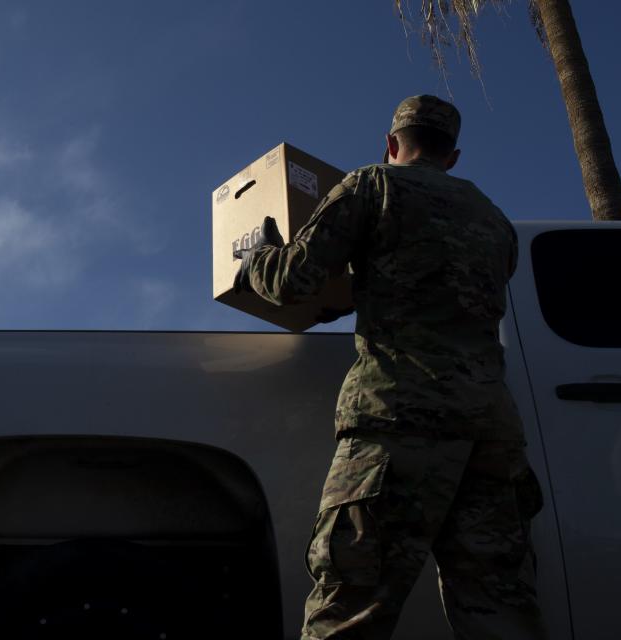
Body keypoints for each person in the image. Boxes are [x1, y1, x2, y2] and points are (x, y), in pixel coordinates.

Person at [234, 95, 548, 639]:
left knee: (352, 604)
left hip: (402, 417)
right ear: (452, 156)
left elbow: (292, 283)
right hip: (492, 435)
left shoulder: (371, 185)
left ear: (391, 142)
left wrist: (255, 260)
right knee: (500, 605)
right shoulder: (495, 221)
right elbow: (443, 290)